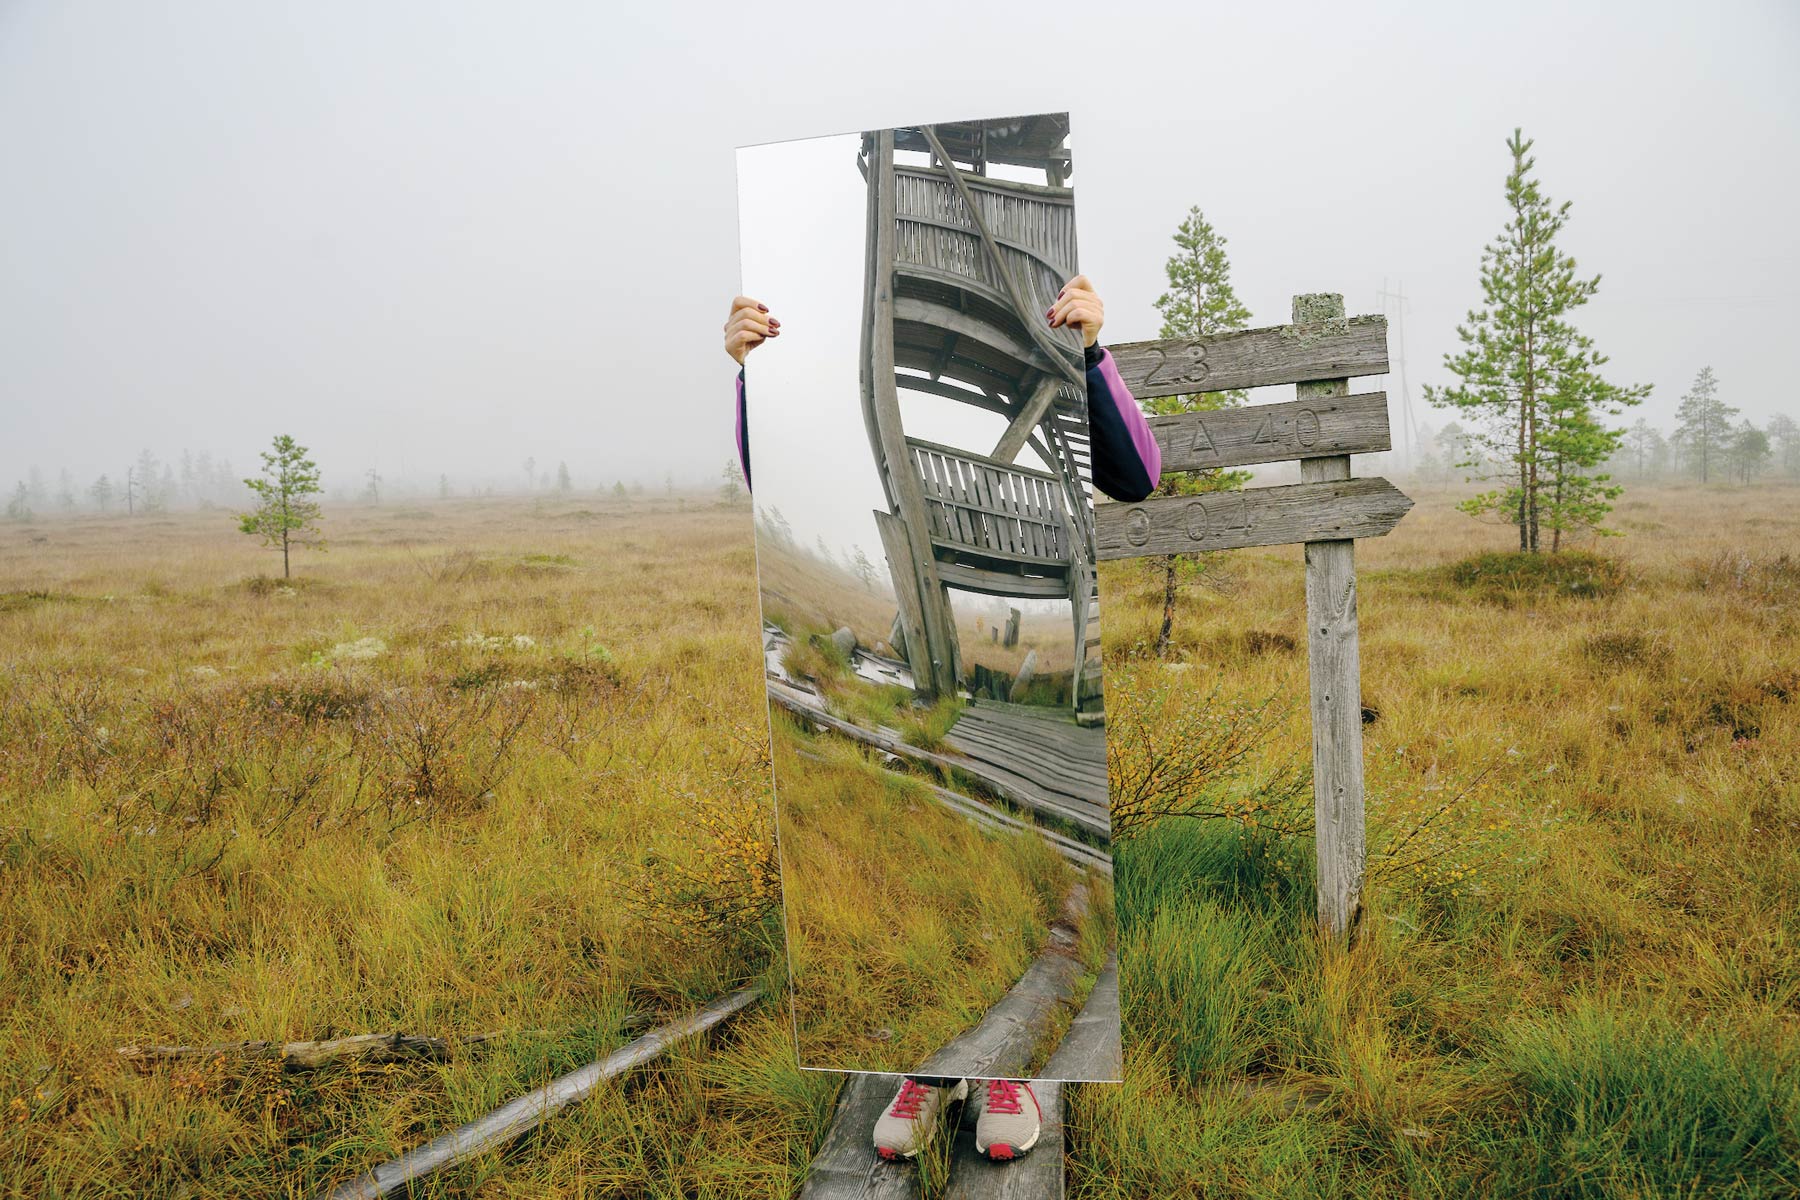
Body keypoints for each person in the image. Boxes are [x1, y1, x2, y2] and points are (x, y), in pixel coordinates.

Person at [722, 275, 1159, 1163]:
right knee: (904, 875)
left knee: (1039, 888)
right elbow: (760, 476)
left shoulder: (1071, 337)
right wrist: (745, 379)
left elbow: (1139, 476)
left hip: (1058, 753)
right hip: (935, 740)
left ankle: (1013, 1071)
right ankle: (922, 1068)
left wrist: (1093, 353)